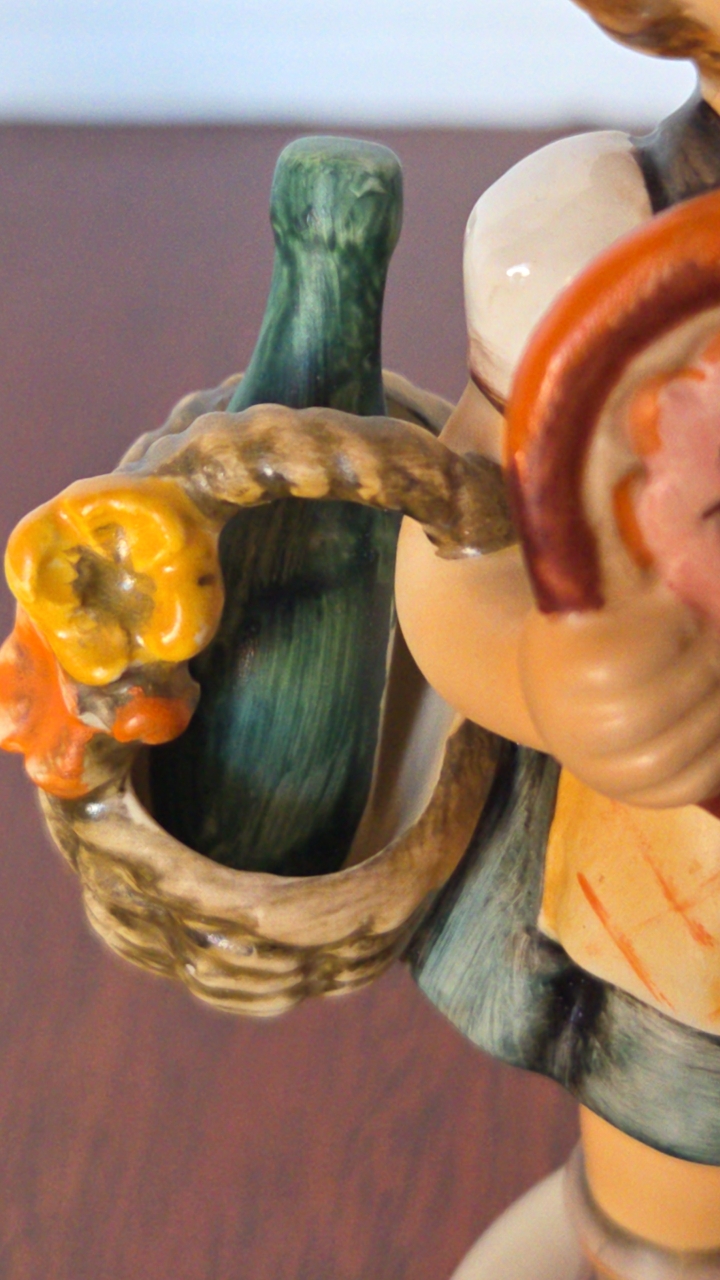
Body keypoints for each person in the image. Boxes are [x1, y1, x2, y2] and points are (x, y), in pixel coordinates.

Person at [395, 0, 720, 1271]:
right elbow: (459, 536)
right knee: (671, 1181)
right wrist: (541, 670)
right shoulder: (585, 234)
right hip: (680, 881)